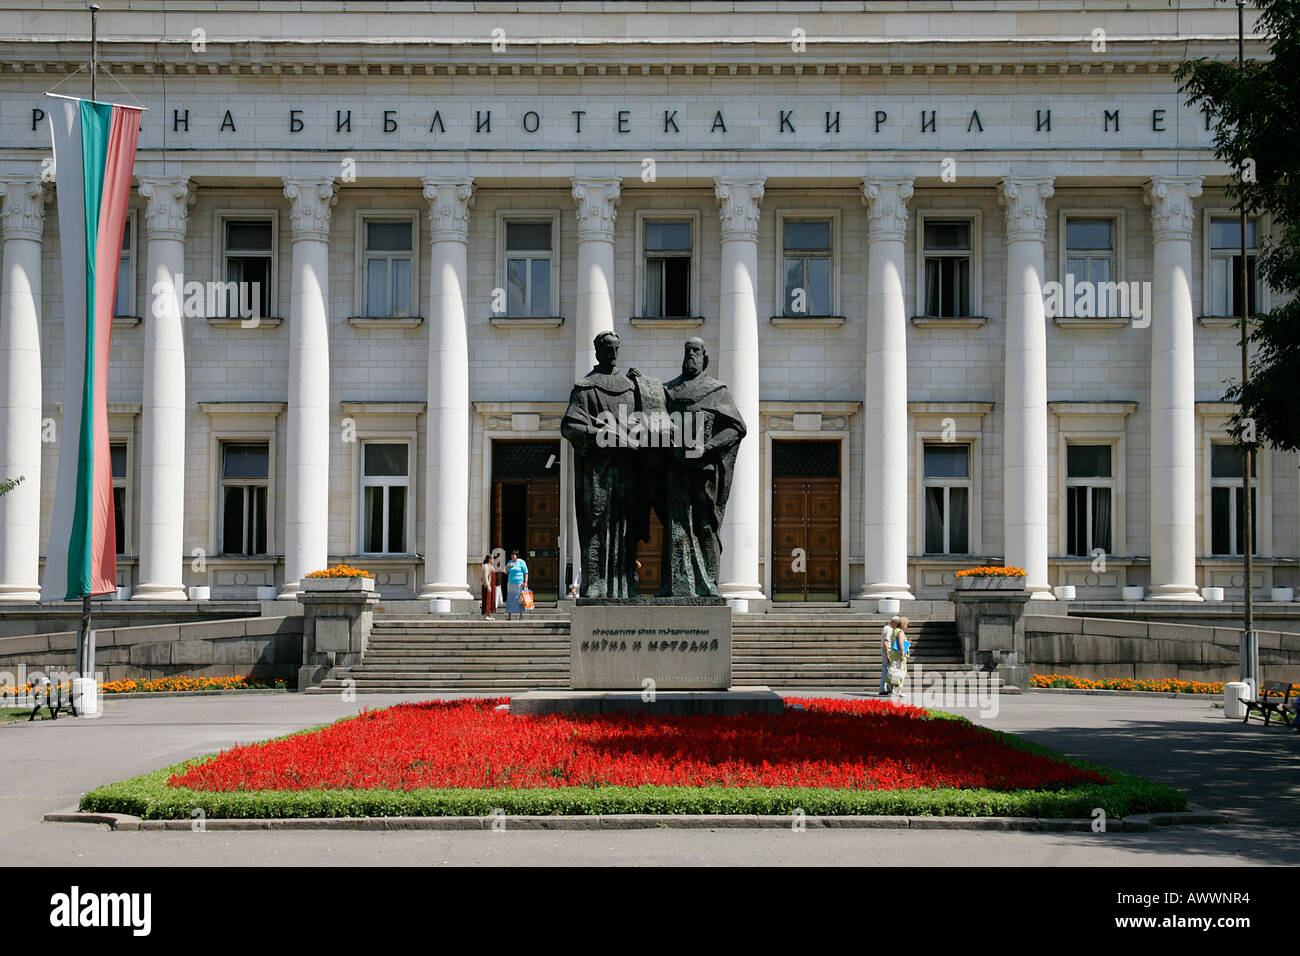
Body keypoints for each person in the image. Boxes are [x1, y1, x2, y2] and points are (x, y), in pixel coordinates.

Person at [561, 331, 658, 598]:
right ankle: (595, 583)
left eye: (615, 348)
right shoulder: (586, 388)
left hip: (629, 471)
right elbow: (571, 425)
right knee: (597, 526)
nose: (612, 353)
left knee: (626, 527)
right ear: (597, 351)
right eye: (606, 348)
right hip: (599, 472)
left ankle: (625, 584)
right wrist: (604, 436)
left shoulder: (631, 385)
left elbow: (650, 420)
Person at [655, 337, 747, 597]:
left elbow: (736, 428)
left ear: (704, 356)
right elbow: (654, 419)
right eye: (687, 350)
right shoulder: (669, 390)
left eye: (696, 350)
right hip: (675, 467)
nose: (691, 355)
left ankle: (709, 586)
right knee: (676, 524)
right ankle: (672, 585)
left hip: (704, 469)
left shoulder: (716, 390)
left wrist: (709, 448)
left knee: (705, 525)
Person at [887, 617, 912, 699]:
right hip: (899, 655)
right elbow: (900, 643)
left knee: (894, 670)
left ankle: (892, 686)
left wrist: (907, 642)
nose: (907, 627)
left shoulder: (895, 630)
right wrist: (902, 654)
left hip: (894, 654)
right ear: (903, 625)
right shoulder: (900, 632)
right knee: (902, 671)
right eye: (906, 625)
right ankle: (899, 691)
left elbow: (899, 642)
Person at [878, 615, 901, 695]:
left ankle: (887, 688)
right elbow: (885, 643)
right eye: (898, 623)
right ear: (894, 622)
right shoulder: (888, 629)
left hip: (888, 650)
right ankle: (882, 689)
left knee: (888, 670)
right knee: (886, 669)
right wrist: (887, 655)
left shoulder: (890, 628)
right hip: (887, 650)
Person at [504, 550, 529, 620]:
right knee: (510, 599)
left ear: (517, 556)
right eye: (511, 555)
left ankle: (521, 615)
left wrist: (525, 582)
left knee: (520, 599)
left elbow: (526, 572)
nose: (512, 556)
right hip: (511, 583)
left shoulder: (522, 562)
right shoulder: (509, 562)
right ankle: (509, 616)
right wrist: (507, 566)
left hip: (519, 583)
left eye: (513, 555)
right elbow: (505, 572)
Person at [480, 554, 497, 621]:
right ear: (489, 559)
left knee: (491, 600)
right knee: (487, 600)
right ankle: (485, 615)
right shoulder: (486, 566)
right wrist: (488, 585)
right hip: (487, 586)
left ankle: (489, 614)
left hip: (492, 585)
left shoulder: (492, 566)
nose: (493, 560)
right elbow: (485, 577)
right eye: (492, 558)